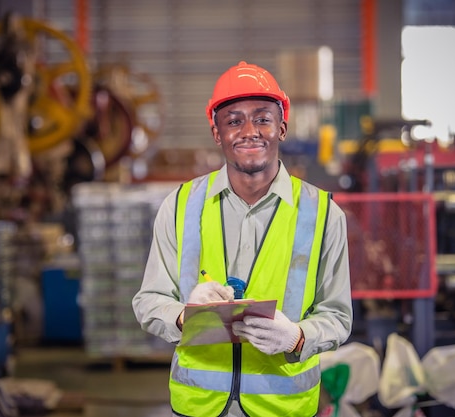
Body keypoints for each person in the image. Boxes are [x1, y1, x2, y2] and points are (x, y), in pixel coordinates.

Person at [132, 61, 352, 417]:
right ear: (217, 132)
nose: (249, 131)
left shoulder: (324, 214)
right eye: (234, 120)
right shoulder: (180, 206)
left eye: (262, 118)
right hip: (199, 407)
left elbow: (337, 316)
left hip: (284, 408)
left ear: (281, 128)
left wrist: (297, 337)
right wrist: (184, 316)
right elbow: (148, 301)